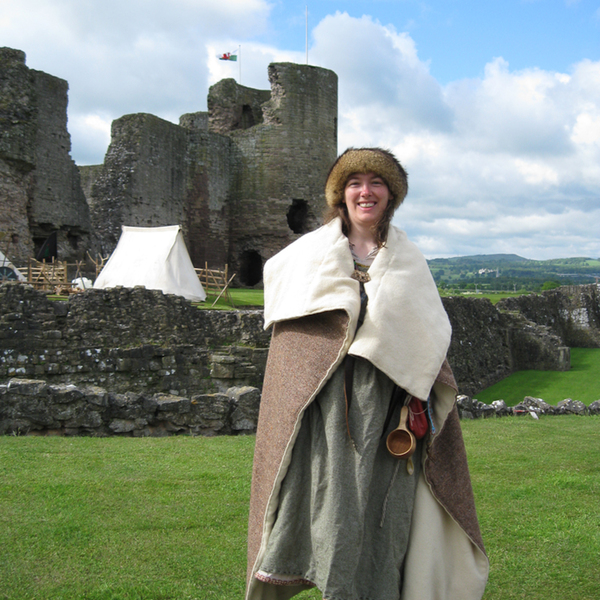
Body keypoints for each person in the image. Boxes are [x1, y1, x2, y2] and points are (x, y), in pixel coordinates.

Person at [246, 148, 489, 600]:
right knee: (319, 501)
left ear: (391, 194)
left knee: (380, 512)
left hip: (386, 416)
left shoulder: (409, 261)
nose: (365, 191)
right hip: (320, 413)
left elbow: (428, 339)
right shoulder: (304, 258)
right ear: (341, 194)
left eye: (376, 182)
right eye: (354, 182)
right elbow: (293, 349)